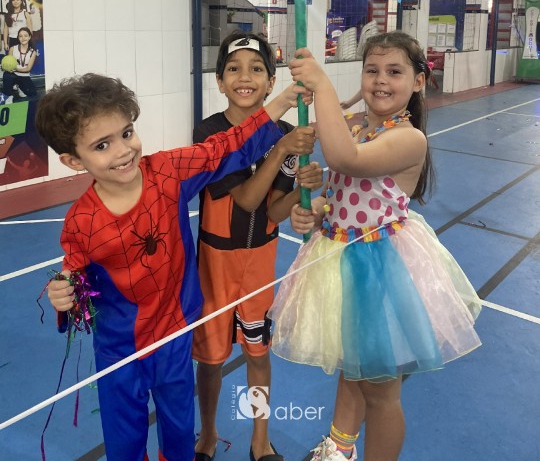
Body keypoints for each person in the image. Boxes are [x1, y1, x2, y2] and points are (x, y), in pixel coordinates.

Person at [37, 71, 311, 461]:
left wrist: (281, 101)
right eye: (102, 145)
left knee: (180, 432)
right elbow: (74, 273)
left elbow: (224, 147)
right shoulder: (81, 221)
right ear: (73, 160)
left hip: (175, 335)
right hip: (119, 352)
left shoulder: (167, 172)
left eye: (127, 133)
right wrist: (62, 291)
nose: (123, 151)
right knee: (125, 442)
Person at [269, 31, 482, 461]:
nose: (381, 80)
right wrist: (315, 211)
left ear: (418, 82)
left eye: (394, 72)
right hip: (339, 259)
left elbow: (347, 160)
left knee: (380, 391)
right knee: (353, 369)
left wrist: (322, 86)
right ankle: (340, 447)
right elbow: (339, 191)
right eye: (372, 70)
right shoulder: (355, 125)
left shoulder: (409, 139)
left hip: (380, 272)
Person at [193, 32, 323, 461]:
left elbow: (273, 210)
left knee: (258, 353)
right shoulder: (210, 133)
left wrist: (305, 188)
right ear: (219, 81)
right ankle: (208, 434)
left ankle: (259, 439)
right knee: (210, 359)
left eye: (256, 69)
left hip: (260, 262)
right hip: (215, 264)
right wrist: (281, 148)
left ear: (270, 82)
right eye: (233, 69)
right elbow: (247, 199)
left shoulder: (286, 133)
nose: (244, 77)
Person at [2, 26, 38, 102]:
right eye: (20, 36)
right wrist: (6, 67)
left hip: (24, 76)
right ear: (18, 38)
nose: (23, 38)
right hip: (13, 74)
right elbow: (8, 63)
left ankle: (19, 86)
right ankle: (8, 95)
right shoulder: (12, 48)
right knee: (7, 75)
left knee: (32, 93)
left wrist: (16, 69)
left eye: (25, 36)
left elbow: (28, 69)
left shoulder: (33, 52)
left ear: (29, 37)